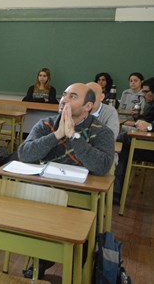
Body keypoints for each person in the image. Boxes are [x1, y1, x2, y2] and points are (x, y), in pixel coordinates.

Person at [18, 83, 115, 278]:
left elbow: (102, 166)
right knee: (37, 223)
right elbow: (25, 154)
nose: (63, 100)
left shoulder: (101, 132)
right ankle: (40, 264)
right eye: (64, 95)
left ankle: (74, 273)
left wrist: (74, 136)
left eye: (73, 96)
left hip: (81, 198)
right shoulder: (47, 124)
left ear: (88, 106)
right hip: (45, 193)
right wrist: (57, 135)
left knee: (82, 231)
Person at [114, 77, 154, 203]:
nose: (143, 94)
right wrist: (138, 118)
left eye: (146, 92)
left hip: (150, 148)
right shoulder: (150, 106)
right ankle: (115, 192)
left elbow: (150, 125)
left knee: (119, 139)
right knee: (122, 151)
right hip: (144, 144)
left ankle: (115, 192)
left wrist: (149, 126)